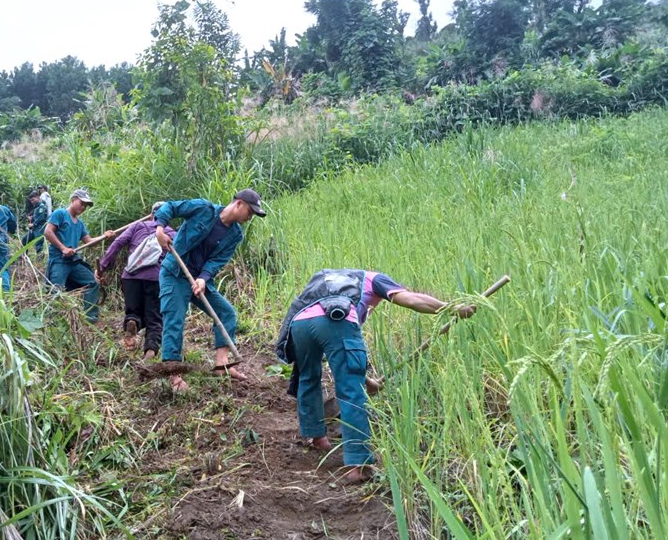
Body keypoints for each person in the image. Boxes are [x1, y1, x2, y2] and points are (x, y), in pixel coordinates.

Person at [275, 269, 476, 484]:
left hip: (300, 324)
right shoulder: (374, 279)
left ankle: (318, 438)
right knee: (351, 391)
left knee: (308, 377)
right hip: (335, 318)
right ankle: (358, 466)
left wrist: (367, 380)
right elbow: (410, 299)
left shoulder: (326, 279)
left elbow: (328, 335)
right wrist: (452, 310)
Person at [153, 189, 267, 392]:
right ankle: (173, 374)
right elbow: (169, 207)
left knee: (226, 313)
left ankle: (221, 364)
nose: (250, 217)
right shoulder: (203, 209)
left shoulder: (235, 235)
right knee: (175, 319)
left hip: (199, 279)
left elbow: (217, 261)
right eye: (250, 212)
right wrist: (160, 228)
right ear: (239, 204)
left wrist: (203, 279)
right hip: (175, 273)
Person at [96, 202, 176, 360]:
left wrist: (103, 266)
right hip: (155, 278)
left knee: (133, 311)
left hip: (130, 277)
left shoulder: (137, 226)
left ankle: (132, 321)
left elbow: (117, 243)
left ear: (151, 214)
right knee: (154, 317)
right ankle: (150, 351)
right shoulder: (171, 233)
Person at [44, 189, 115, 323]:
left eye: (85, 206)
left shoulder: (80, 224)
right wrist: (63, 248)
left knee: (92, 282)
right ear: (73, 200)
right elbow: (48, 232)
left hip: (73, 262)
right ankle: (52, 320)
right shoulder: (60, 214)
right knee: (55, 290)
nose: (83, 207)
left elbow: (89, 242)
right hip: (59, 260)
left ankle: (90, 317)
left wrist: (104, 236)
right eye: (81, 203)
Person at [21, 190, 48, 255]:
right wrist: (32, 218)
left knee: (38, 245)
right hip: (34, 229)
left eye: (33, 200)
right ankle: (25, 256)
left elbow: (41, 218)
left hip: (39, 229)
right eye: (31, 200)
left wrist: (33, 224)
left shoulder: (42, 206)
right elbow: (37, 216)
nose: (32, 202)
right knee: (24, 240)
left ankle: (39, 261)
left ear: (38, 197)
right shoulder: (36, 207)